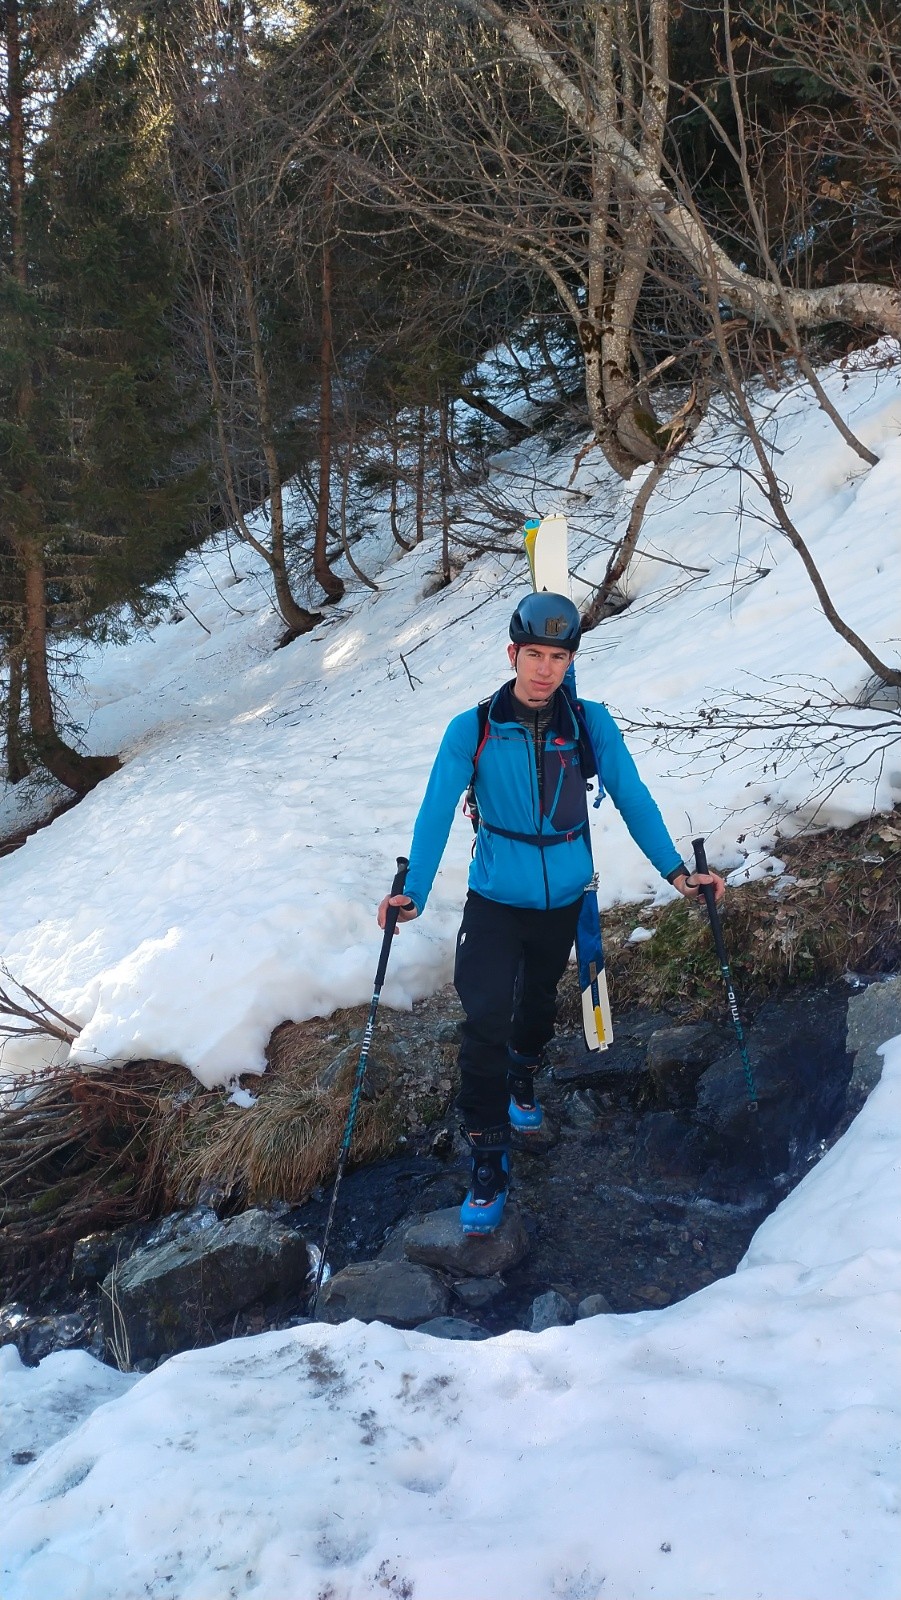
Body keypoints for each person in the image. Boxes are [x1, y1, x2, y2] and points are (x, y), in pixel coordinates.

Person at [378, 593, 725, 1235]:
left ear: (570, 661)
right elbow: (434, 811)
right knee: (484, 1015)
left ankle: (523, 1074)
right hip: (493, 900)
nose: (544, 668)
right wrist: (414, 891)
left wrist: (677, 872)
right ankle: (487, 1155)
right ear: (512, 655)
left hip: (562, 900)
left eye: (557, 657)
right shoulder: (473, 728)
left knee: (535, 1008)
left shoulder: (590, 725)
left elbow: (633, 797)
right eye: (533, 655)